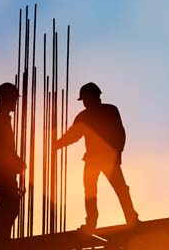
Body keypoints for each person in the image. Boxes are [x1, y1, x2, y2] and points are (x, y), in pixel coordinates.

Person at [55, 82, 140, 232]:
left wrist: (118, 152)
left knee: (117, 190)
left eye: (85, 99)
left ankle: (130, 218)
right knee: (92, 191)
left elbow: (119, 133)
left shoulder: (107, 111)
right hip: (94, 159)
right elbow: (73, 135)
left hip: (105, 158)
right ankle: (94, 222)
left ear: (93, 97)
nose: (84, 103)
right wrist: (56, 145)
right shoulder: (87, 115)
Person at [0, 82, 26, 243]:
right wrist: (18, 162)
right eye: (14, 99)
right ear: (6, 99)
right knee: (8, 205)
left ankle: (0, 239)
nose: (16, 102)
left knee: (8, 205)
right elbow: (1, 148)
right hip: (2, 172)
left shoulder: (2, 119)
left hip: (5, 172)